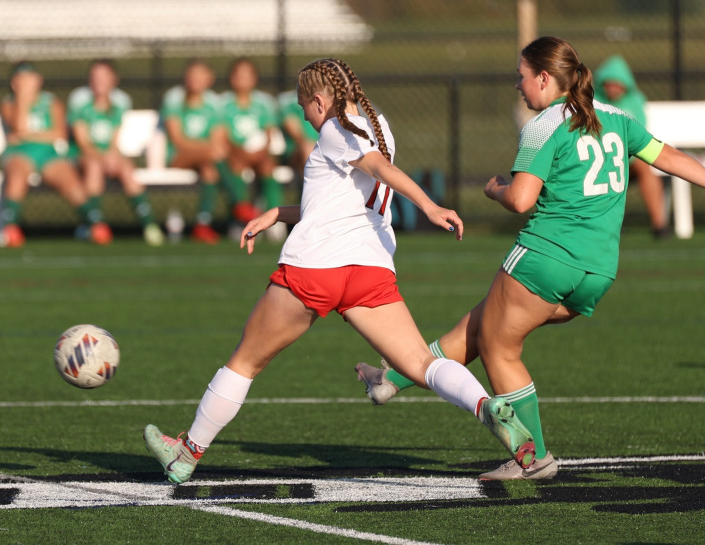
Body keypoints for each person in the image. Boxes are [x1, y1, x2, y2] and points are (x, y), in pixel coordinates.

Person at [356, 36, 705, 481]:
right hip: (599, 269)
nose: (518, 86)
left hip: (547, 256)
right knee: (484, 323)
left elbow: (522, 200)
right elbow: (671, 157)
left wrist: (493, 190)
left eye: (521, 77)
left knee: (498, 345)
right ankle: (392, 380)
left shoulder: (545, 125)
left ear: (544, 78)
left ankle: (534, 457)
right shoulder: (616, 117)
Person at [143, 58, 537, 484]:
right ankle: (487, 407)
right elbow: (343, 197)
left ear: (318, 100)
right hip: (369, 269)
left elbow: (378, 170)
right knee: (421, 362)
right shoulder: (379, 124)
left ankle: (186, 453)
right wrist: (278, 213)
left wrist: (430, 206)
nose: (307, 118)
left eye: (304, 108)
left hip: (317, 267)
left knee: (245, 362)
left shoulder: (335, 128)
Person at [0, 61, 111, 248]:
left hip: (48, 153)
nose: (27, 83)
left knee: (69, 180)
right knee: (17, 174)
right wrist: (23, 99)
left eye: (30, 79)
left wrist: (27, 135)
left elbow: (58, 134)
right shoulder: (9, 103)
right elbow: (17, 125)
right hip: (20, 153)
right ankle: (11, 229)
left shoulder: (51, 102)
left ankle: (95, 224)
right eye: (21, 79)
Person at [68, 60, 164, 246]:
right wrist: (102, 158)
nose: (99, 81)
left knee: (127, 169)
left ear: (114, 79)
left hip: (107, 155)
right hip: (84, 156)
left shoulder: (119, 103)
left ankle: (149, 225)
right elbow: (83, 143)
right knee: (94, 167)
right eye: (95, 77)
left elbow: (114, 140)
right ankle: (95, 225)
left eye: (104, 77)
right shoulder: (80, 103)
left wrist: (112, 155)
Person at [594, 54, 669, 238]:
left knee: (644, 167)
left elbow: (640, 136)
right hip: (600, 159)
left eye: (617, 83)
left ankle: (660, 226)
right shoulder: (593, 101)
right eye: (608, 83)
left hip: (630, 159)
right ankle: (608, 224)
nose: (612, 88)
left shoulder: (635, 102)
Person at [160, 59, 227, 244]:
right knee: (214, 155)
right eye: (191, 75)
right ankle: (240, 203)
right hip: (177, 156)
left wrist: (209, 149)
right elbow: (177, 140)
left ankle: (202, 224)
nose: (194, 80)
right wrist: (207, 148)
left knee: (210, 170)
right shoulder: (174, 98)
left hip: (206, 158)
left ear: (209, 79)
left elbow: (217, 137)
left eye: (200, 76)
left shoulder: (214, 102)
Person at [217, 58, 282, 238]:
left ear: (255, 78)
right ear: (231, 78)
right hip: (234, 154)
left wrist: (259, 152)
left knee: (268, 166)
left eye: (247, 75)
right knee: (235, 165)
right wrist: (240, 152)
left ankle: (274, 219)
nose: (242, 79)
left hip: (259, 154)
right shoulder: (223, 103)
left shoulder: (264, 102)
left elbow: (269, 134)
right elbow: (222, 136)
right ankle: (243, 218)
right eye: (238, 75)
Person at [277, 87, 318, 183]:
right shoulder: (289, 101)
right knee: (308, 149)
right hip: (297, 151)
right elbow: (290, 123)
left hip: (324, 147)